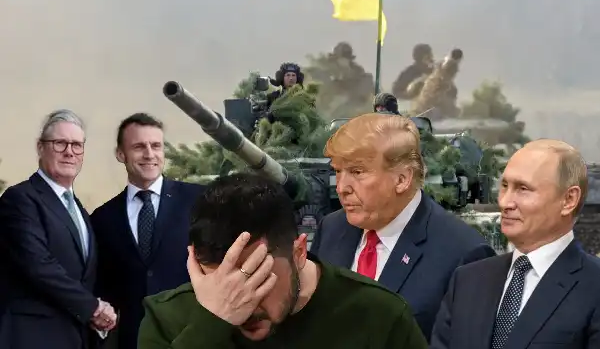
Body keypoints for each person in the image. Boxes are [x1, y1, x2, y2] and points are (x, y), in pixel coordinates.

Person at [138, 173, 428, 348]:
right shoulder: (168, 319)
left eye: (255, 278)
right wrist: (210, 325)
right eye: (218, 281)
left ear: (298, 252)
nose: (240, 301)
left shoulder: (380, 316)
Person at [310, 113, 496, 341]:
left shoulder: (465, 255)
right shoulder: (331, 229)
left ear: (402, 179)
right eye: (338, 171)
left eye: (357, 172)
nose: (341, 188)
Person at [430, 139, 600, 349]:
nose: (505, 202)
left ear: (568, 200)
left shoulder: (594, 286)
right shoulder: (467, 281)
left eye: (523, 189)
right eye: (504, 186)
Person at [0, 109, 116, 349]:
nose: (69, 152)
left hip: (75, 338)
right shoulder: (20, 199)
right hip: (33, 337)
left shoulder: (79, 210)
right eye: (60, 143)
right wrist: (93, 308)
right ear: (40, 147)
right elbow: (38, 265)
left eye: (77, 145)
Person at [91, 113, 203, 349]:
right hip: (133, 341)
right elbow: (102, 285)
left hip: (192, 336)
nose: (149, 154)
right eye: (139, 147)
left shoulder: (199, 200)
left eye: (156, 146)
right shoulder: (103, 218)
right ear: (121, 154)